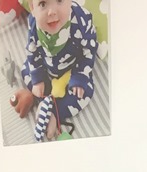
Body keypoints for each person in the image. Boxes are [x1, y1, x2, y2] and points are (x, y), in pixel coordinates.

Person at [10, 0, 98, 141]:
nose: (51, 12)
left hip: (72, 70)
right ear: (32, 8)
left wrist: (79, 76)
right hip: (46, 67)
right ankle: (41, 99)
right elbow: (32, 50)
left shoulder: (81, 20)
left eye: (59, 1)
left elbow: (89, 50)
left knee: (84, 92)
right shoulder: (33, 22)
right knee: (27, 70)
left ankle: (54, 112)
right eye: (43, 4)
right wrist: (38, 79)